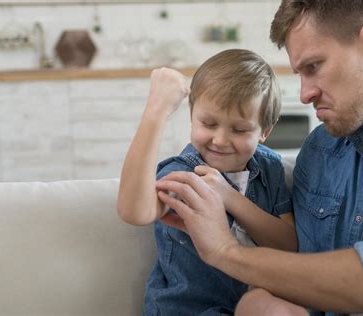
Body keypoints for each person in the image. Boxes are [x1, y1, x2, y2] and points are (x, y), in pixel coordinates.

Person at [154, 0, 363, 315]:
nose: (304, 94)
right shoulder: (323, 150)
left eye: (313, 67)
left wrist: (224, 250)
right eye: (300, 73)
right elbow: (302, 279)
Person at [117, 49, 298, 315]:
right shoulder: (185, 173)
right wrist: (156, 113)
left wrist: (229, 197)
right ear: (192, 116)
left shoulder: (269, 168)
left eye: (239, 129)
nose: (220, 140)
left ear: (265, 131)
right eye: (208, 124)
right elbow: (134, 211)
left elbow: (288, 245)